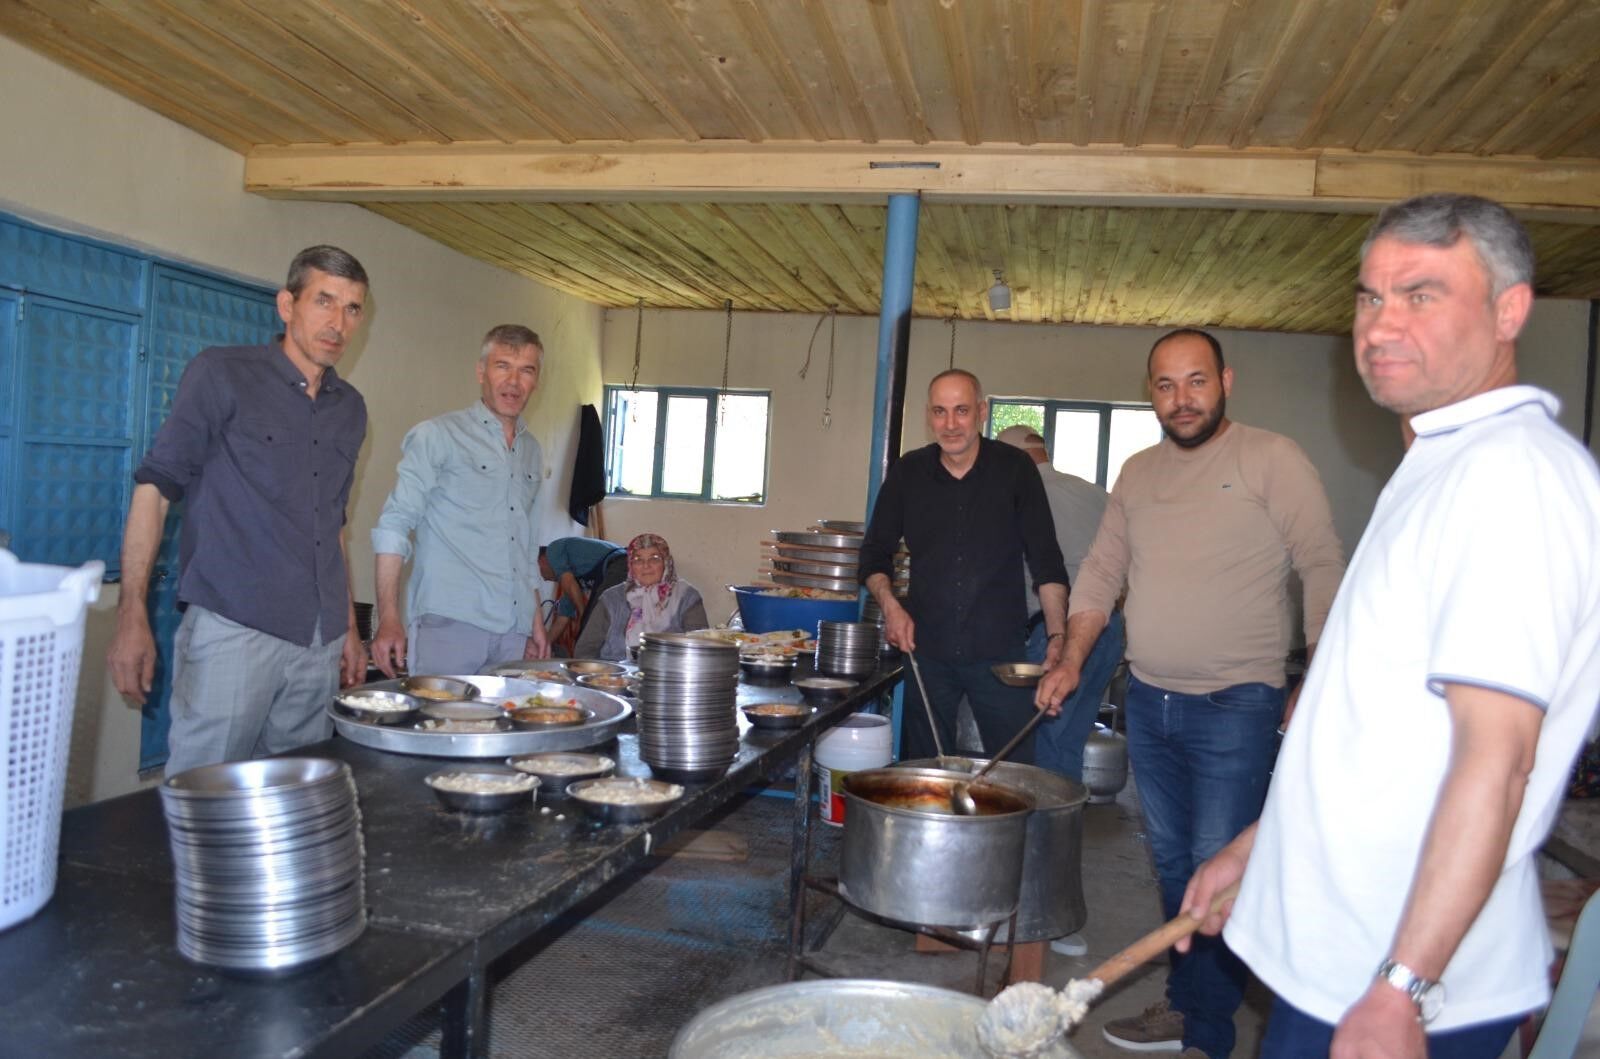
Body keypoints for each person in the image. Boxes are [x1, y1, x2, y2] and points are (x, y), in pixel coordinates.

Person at [1180, 194, 1600, 1059]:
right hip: (1350, 958)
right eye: (1370, 296)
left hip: (1399, 984)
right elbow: (1378, 731)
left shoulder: (1510, 477)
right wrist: (1263, 844)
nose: (1380, 324)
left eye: (1421, 294)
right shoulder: (1440, 462)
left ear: (1509, 310)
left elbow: (1499, 760)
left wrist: (1404, 984)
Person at [1037, 329, 1346, 1058]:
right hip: (1148, 700)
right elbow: (1101, 574)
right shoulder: (1138, 473)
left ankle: (1207, 1030)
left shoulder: (1271, 458)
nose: (1182, 399)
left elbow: (1322, 564)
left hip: (1237, 704)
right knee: (1174, 865)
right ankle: (1190, 1003)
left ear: (1225, 381)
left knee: (1218, 866)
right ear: (1151, 392)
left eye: (1196, 381)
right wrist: (1071, 658)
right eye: (1166, 385)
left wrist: (1319, 677)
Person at [106, 245, 371, 776]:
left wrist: (348, 629)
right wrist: (131, 613)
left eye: (352, 308)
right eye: (324, 301)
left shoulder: (351, 408)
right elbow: (156, 489)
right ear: (287, 305)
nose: (338, 323)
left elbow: (332, 525)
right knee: (206, 795)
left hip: (317, 643)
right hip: (234, 629)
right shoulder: (222, 374)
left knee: (293, 800)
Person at [861, 369, 1069, 766]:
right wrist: (891, 607)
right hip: (927, 651)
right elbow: (873, 553)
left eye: (961, 410)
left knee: (1013, 770)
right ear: (929, 415)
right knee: (924, 771)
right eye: (940, 412)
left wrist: (1057, 634)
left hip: (1000, 655)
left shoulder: (1016, 470)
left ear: (982, 412)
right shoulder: (908, 473)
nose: (951, 424)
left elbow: (1047, 562)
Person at [370, 325, 551, 677]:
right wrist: (388, 617)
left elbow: (526, 550)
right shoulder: (438, 436)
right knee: (440, 715)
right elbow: (394, 524)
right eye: (502, 366)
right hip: (449, 627)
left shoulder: (531, 450)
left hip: (513, 634)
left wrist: (535, 623)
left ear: (536, 380)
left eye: (526, 370)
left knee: (510, 716)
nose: (513, 382)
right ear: (481, 372)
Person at [995, 425, 1121, 783]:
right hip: (1108, 628)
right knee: (1071, 739)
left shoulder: (1019, 497)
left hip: (1057, 634)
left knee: (1043, 739)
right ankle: (1064, 813)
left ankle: (1042, 814)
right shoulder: (1096, 494)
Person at [574, 533, 708, 660]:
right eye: (638, 560)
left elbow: (701, 647)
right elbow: (585, 650)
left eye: (654, 558)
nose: (646, 565)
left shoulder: (686, 596)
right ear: (630, 565)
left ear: (666, 562)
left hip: (670, 672)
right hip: (614, 673)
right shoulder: (612, 598)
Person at [538, 536, 626, 652]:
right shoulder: (574, 581)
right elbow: (562, 619)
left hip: (620, 563)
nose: (544, 579)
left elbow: (569, 583)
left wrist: (584, 616)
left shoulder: (553, 549)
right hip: (618, 567)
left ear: (541, 561)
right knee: (595, 627)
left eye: (539, 572)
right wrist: (542, 647)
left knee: (591, 627)